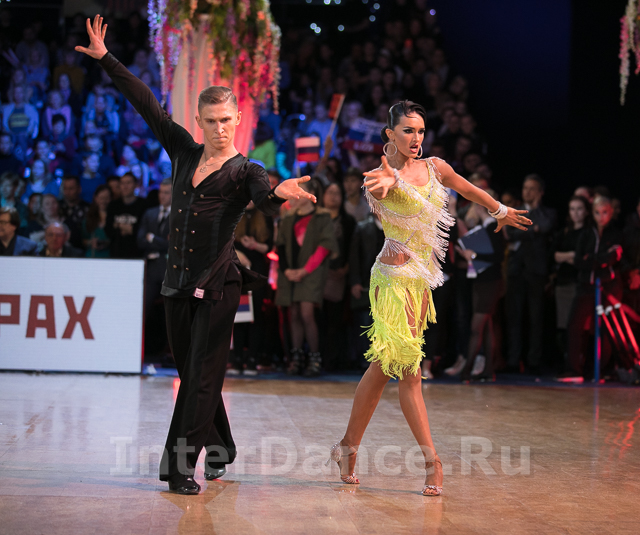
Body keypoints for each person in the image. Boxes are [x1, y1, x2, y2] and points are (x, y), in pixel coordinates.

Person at [76, 15, 315, 495]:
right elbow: (147, 104)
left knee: (201, 380)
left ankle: (179, 467)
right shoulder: (184, 151)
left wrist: (278, 193)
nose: (220, 128)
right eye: (211, 121)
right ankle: (222, 447)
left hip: (218, 285)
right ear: (200, 122)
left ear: (238, 119)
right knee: (193, 374)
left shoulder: (247, 170)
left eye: (227, 120)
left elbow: (264, 199)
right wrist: (107, 60)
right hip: (176, 284)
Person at [328, 101, 530, 496]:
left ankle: (347, 447)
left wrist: (500, 210)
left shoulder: (435, 167)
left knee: (385, 368)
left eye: (420, 130)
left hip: (421, 280)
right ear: (390, 133)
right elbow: (383, 189)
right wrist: (387, 182)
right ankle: (431, 463)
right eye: (407, 130)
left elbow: (467, 188)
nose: (416, 137)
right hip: (392, 280)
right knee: (408, 372)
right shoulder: (378, 176)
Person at [275, 179, 338, 377]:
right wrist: (286, 270)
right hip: (290, 273)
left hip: (311, 273)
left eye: (301, 191)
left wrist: (304, 270)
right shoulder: (288, 219)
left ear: (311, 194)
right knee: (293, 314)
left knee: (307, 313)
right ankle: (296, 358)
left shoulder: (322, 217)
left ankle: (314, 357)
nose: (296, 194)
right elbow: (281, 246)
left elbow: (325, 247)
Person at [504, 174, 557, 374]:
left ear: (540, 192)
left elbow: (546, 226)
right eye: (525, 188)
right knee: (514, 317)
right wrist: (533, 230)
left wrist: (525, 230)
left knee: (536, 317)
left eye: (532, 188)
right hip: (516, 270)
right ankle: (513, 360)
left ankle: (534, 361)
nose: (527, 192)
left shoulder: (548, 213)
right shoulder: (515, 211)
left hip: (536, 271)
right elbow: (510, 233)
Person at [553, 195, 590, 375]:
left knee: (577, 327)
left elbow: (582, 258)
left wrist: (568, 256)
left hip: (579, 284)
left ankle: (578, 365)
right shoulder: (565, 232)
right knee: (563, 327)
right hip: (563, 282)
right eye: (572, 209)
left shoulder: (588, 233)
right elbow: (554, 255)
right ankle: (568, 363)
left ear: (586, 211)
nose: (575, 213)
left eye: (579, 209)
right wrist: (571, 255)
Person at [137, 178, 172, 350]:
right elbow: (140, 241)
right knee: (143, 309)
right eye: (160, 192)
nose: (162, 196)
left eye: (166, 193)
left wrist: (152, 238)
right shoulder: (149, 213)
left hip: (169, 270)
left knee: (171, 313)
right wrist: (161, 242)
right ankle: (138, 348)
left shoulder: (180, 215)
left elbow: (173, 244)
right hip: (150, 269)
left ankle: (170, 351)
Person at [105, 171, 146, 258]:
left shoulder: (144, 205)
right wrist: (125, 227)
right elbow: (108, 229)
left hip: (138, 254)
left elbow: (145, 231)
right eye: (122, 183)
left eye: (128, 183)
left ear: (136, 185)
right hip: (116, 253)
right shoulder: (113, 205)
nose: (125, 186)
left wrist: (118, 225)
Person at [59, 175, 90, 251]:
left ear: (79, 189)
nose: (67, 192)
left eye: (71, 188)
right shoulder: (58, 207)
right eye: (65, 188)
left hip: (83, 251)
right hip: (60, 251)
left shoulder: (88, 208)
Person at [82, 185, 111, 258]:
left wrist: (108, 243)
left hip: (110, 257)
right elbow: (82, 239)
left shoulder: (114, 218)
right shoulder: (89, 218)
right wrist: (90, 242)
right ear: (96, 198)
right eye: (101, 198)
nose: (104, 201)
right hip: (92, 257)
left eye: (106, 198)